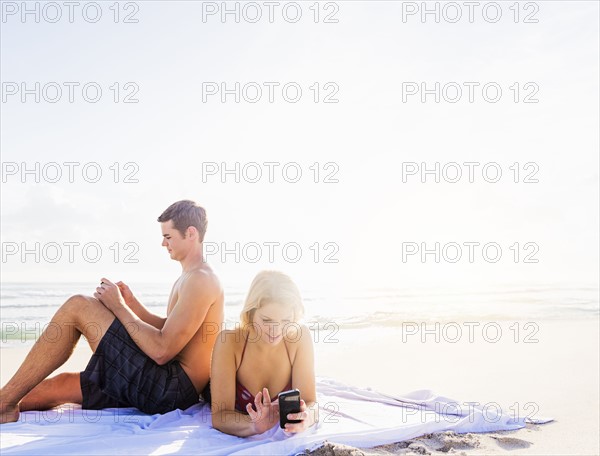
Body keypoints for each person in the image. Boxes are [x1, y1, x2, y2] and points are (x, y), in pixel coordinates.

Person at [0, 200, 224, 423]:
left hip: (169, 390)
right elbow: (170, 329)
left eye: (168, 237)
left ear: (191, 233)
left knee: (78, 305)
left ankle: (4, 404)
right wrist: (132, 304)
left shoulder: (200, 280)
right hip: (164, 383)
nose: (163, 244)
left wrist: (119, 306)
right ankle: (7, 401)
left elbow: (162, 350)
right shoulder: (190, 276)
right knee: (59, 385)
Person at [210, 270, 318, 437]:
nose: (276, 330)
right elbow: (220, 415)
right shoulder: (229, 342)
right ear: (251, 313)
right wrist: (253, 426)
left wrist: (306, 417)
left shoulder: (299, 337)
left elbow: (312, 404)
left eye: (285, 321)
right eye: (267, 320)